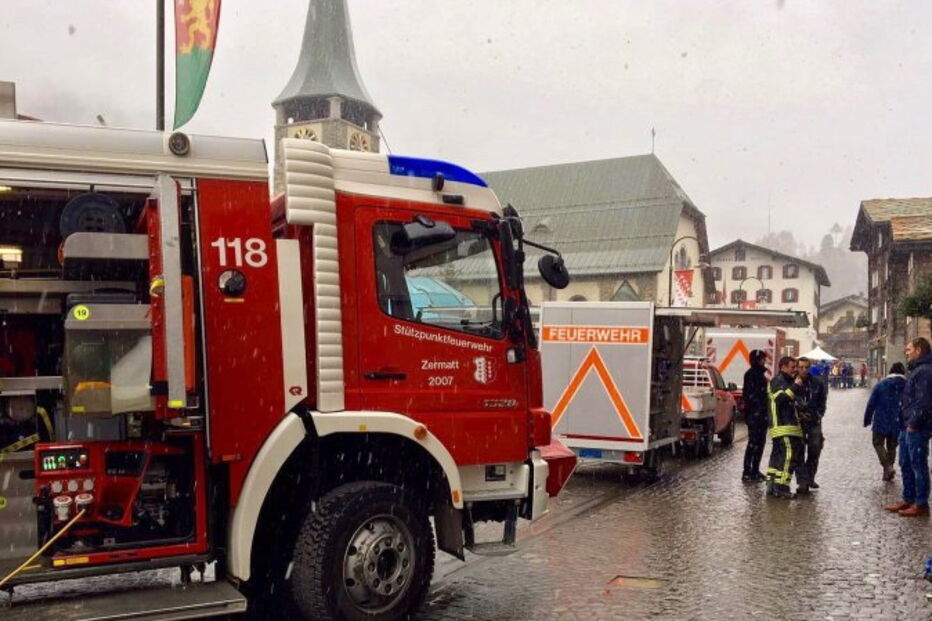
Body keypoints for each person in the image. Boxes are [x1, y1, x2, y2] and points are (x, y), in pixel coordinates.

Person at [885, 338, 932, 517]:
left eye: (909, 349)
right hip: (907, 425)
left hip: (917, 427)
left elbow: (924, 401)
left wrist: (914, 423)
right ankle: (908, 498)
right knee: (905, 462)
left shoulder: (925, 371)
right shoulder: (917, 369)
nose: (907, 352)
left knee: (917, 465)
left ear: (918, 350)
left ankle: (920, 504)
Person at [766, 356, 804, 499]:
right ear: (783, 367)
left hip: (785, 426)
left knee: (778, 457)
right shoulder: (778, 380)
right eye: (792, 367)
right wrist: (795, 386)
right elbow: (780, 399)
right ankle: (781, 487)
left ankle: (772, 485)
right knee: (788, 456)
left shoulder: (785, 381)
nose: (795, 370)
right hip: (783, 426)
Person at [864, 362, 906, 481]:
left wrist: (867, 419)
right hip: (898, 421)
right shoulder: (907, 385)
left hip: (881, 420)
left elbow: (871, 403)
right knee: (892, 447)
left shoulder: (882, 384)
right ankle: (888, 470)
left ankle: (887, 467)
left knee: (878, 443)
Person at [795, 357, 827, 494]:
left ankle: (810, 477)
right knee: (799, 452)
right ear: (797, 367)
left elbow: (822, 402)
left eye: (806, 367)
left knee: (815, 449)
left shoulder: (817, 383)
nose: (803, 370)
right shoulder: (794, 382)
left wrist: (818, 415)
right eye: (801, 367)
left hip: (814, 421)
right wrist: (798, 414)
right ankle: (802, 482)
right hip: (798, 422)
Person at [741, 349, 770, 482]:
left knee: (760, 442)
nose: (765, 361)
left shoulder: (760, 374)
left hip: (761, 414)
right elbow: (750, 395)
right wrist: (757, 409)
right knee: (753, 443)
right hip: (754, 415)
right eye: (763, 359)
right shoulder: (751, 374)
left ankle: (755, 470)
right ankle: (747, 471)